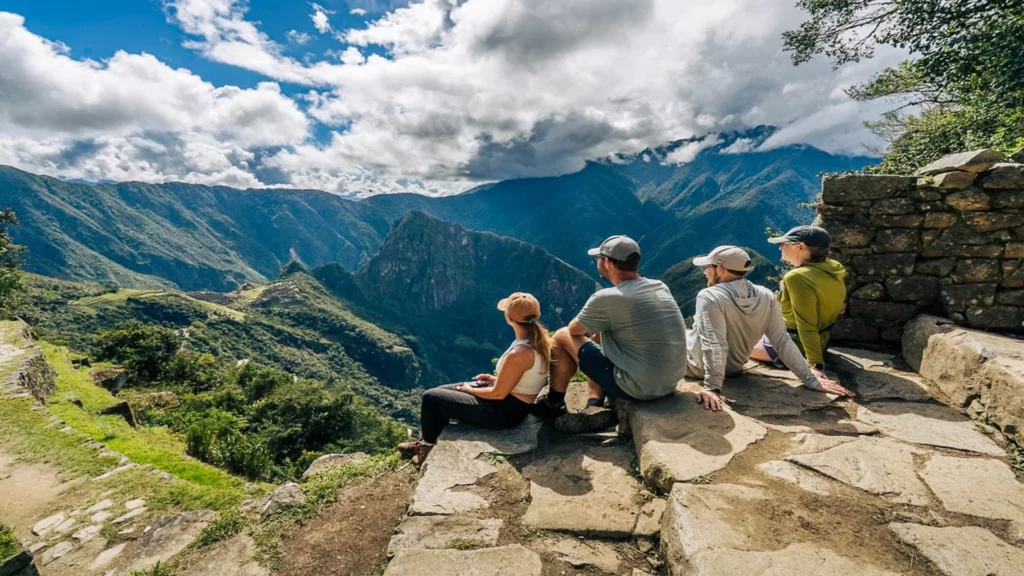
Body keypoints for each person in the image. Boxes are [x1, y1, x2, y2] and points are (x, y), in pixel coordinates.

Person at [685, 245, 855, 412]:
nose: (705, 271)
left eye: (707, 267)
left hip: (696, 366)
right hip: (734, 368)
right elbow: (781, 340)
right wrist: (809, 379)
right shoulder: (765, 294)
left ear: (720, 269)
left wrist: (713, 387)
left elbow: (714, 344)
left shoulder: (709, 296)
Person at [535, 235, 688, 418]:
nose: (597, 263)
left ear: (607, 262)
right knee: (600, 336)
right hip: (670, 382)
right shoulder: (660, 286)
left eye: (597, 259)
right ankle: (595, 403)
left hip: (640, 388)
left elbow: (574, 330)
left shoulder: (607, 298)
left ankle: (553, 403)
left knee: (562, 335)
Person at [398, 292, 552, 464]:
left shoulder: (520, 352)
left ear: (509, 317)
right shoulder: (537, 340)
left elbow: (497, 394)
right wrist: (495, 380)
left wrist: (468, 389)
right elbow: (526, 378)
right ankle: (426, 438)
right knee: (441, 392)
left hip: (505, 412)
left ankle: (426, 449)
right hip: (511, 401)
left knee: (431, 398)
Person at [750, 225, 847, 382]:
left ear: (801, 247)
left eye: (784, 243)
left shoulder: (798, 278)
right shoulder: (832, 269)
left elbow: (806, 324)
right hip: (822, 340)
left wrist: (815, 365)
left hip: (792, 346)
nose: (780, 247)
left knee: (730, 341)